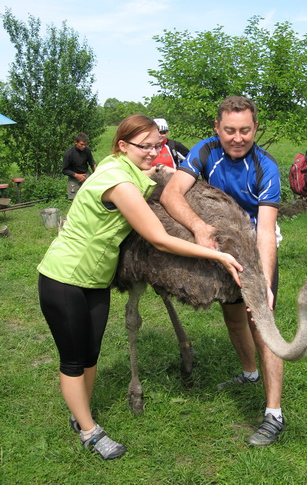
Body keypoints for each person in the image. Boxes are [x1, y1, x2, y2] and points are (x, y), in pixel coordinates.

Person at [38, 115, 242, 460]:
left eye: (156, 145)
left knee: (90, 354)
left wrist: (166, 173)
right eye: (144, 146)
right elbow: (159, 239)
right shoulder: (118, 183)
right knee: (73, 359)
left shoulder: (119, 165)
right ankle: (89, 431)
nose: (153, 152)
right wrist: (217, 255)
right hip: (64, 277)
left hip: (96, 279)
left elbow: (152, 178)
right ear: (123, 145)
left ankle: (81, 411)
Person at [160, 96, 285, 447]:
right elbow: (171, 194)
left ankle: (274, 413)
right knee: (232, 317)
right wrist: (199, 227)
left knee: (263, 324)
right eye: (230, 130)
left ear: (255, 128)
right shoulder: (205, 151)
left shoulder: (266, 167)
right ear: (217, 128)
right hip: (222, 244)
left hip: (255, 245)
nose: (237, 138)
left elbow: (265, 230)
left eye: (245, 130)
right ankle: (249, 373)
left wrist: (263, 283)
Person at [62, 133, 97, 200]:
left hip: (86, 174)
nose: (83, 146)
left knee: (90, 197)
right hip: (74, 177)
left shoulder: (87, 150)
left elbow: (92, 163)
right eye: (81, 144)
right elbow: (64, 170)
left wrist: (96, 174)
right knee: (74, 199)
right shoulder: (68, 154)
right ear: (75, 142)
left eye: (85, 144)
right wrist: (77, 175)